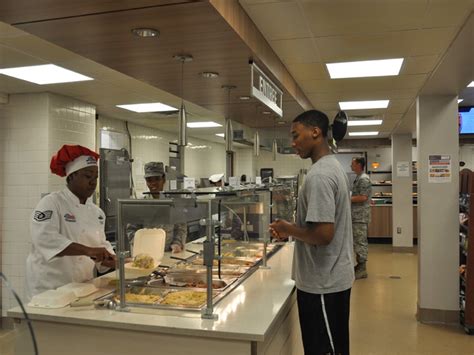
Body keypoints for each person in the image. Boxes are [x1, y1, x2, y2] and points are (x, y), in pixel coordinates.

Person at [269, 110, 354, 355]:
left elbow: (323, 235)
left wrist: (288, 229)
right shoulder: (332, 166)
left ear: (315, 132)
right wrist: (293, 231)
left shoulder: (319, 176)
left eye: (296, 135)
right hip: (329, 278)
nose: (293, 143)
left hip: (322, 283)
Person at [26, 145, 116, 298]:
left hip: (83, 288)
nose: (93, 182)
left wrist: (113, 259)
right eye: (88, 176)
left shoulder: (97, 213)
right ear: (71, 176)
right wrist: (88, 250)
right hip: (49, 290)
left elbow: (100, 244)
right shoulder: (51, 203)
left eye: (96, 177)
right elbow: (45, 239)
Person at [127, 162, 185, 253]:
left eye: (157, 179)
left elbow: (180, 228)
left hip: (169, 252)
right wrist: (141, 245)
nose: (153, 183)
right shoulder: (139, 204)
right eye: (149, 180)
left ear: (164, 179)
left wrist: (177, 243)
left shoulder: (173, 203)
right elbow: (131, 230)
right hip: (146, 254)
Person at [350, 157, 372, 279]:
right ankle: (359, 265)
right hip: (356, 215)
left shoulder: (364, 179)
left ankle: (362, 268)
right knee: (357, 241)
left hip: (360, 216)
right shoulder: (359, 178)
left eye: (352, 164)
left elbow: (363, 197)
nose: (350, 166)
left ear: (358, 164)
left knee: (360, 242)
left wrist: (346, 198)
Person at [209, 173, 244, 240]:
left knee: (236, 226)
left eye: (218, 183)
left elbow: (231, 204)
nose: (216, 185)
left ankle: (233, 239)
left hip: (230, 213)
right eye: (214, 184)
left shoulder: (228, 190)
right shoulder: (217, 191)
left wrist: (229, 216)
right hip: (222, 213)